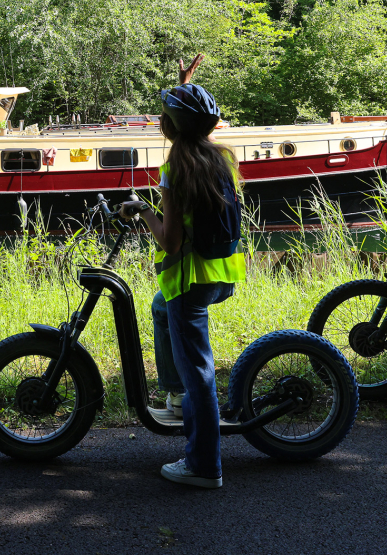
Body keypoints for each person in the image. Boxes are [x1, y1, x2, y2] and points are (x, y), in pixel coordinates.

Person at [120, 54, 246, 489]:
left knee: (202, 377)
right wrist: (183, 84)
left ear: (170, 127)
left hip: (190, 282)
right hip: (221, 274)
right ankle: (176, 396)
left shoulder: (175, 170)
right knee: (159, 308)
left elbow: (169, 241)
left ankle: (204, 466)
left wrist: (142, 212)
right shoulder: (220, 160)